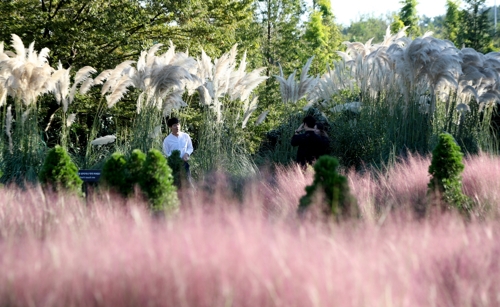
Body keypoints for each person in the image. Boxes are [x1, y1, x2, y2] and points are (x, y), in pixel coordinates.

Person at [162, 117, 194, 185]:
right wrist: (173, 159)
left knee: (188, 182)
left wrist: (187, 154)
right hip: (173, 165)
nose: (177, 127)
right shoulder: (167, 140)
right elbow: (165, 153)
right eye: (174, 125)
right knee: (175, 184)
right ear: (170, 127)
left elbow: (190, 148)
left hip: (184, 163)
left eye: (178, 124)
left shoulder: (185, 136)